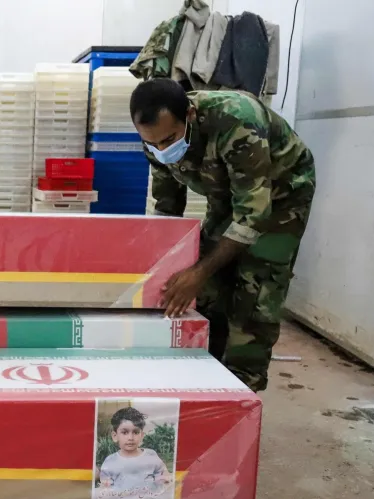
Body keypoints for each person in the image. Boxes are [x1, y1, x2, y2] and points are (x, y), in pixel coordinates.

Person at [131, 78, 316, 392]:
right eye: (153, 144)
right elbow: (167, 206)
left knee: (255, 291)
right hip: (227, 195)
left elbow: (254, 213)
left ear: (189, 115)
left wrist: (199, 271)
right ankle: (208, 376)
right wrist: (161, 265)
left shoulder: (237, 120)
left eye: (169, 139)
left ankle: (243, 391)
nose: (162, 150)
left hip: (282, 194)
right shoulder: (154, 139)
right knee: (207, 291)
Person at [97, 407, 171, 499]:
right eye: (124, 432)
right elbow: (105, 489)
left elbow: (163, 477)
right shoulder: (110, 461)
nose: (130, 438)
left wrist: (162, 486)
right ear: (115, 436)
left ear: (142, 436)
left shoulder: (150, 455)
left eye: (135, 432)